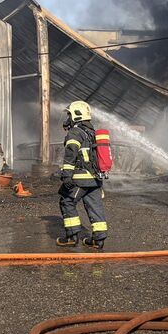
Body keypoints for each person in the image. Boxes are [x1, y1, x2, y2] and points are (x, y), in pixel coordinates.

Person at [56, 100, 108, 250]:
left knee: (67, 201)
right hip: (95, 179)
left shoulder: (75, 132)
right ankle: (98, 240)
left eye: (69, 115)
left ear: (76, 115)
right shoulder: (92, 132)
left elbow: (71, 153)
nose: (68, 118)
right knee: (95, 206)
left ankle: (72, 237)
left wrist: (67, 175)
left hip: (81, 178)